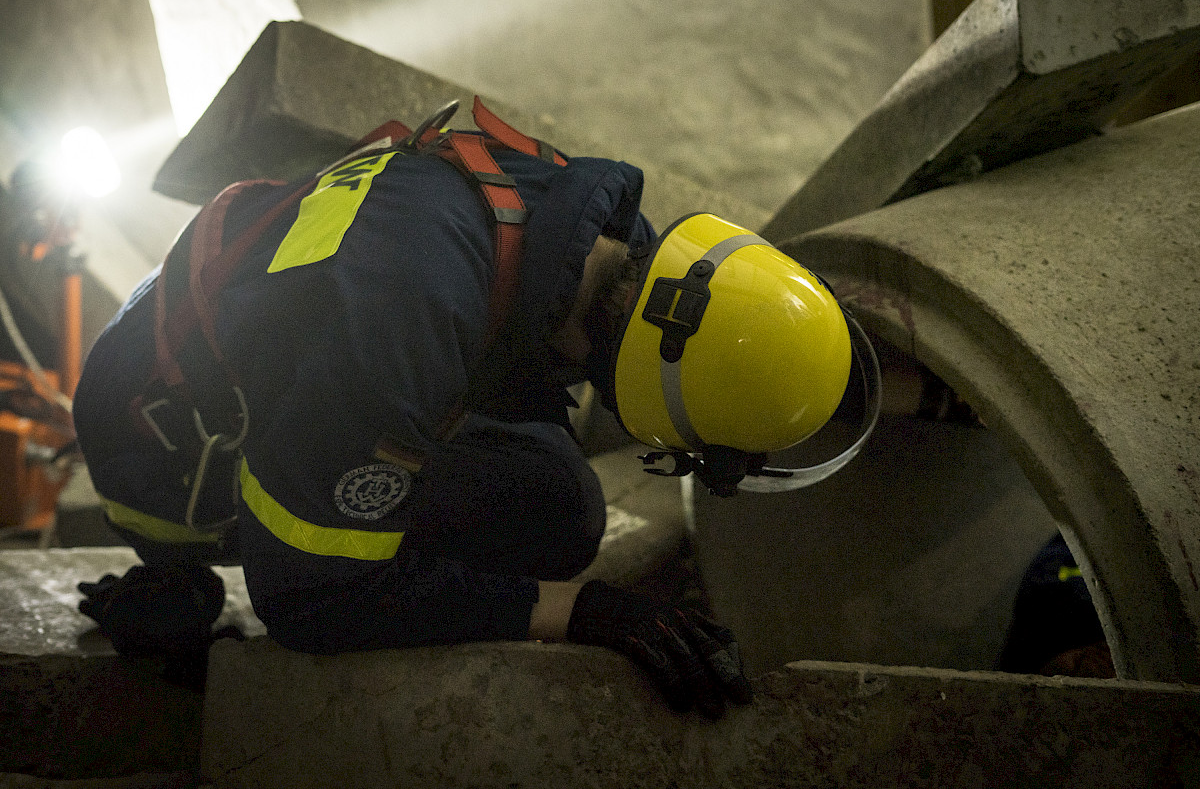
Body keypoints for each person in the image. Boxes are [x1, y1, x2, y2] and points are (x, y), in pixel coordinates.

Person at [72, 99, 878, 716]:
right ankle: (186, 572)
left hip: (251, 332)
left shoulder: (604, 239)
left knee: (558, 507)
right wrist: (576, 613)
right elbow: (307, 602)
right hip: (163, 452)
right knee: (516, 535)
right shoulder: (406, 313)